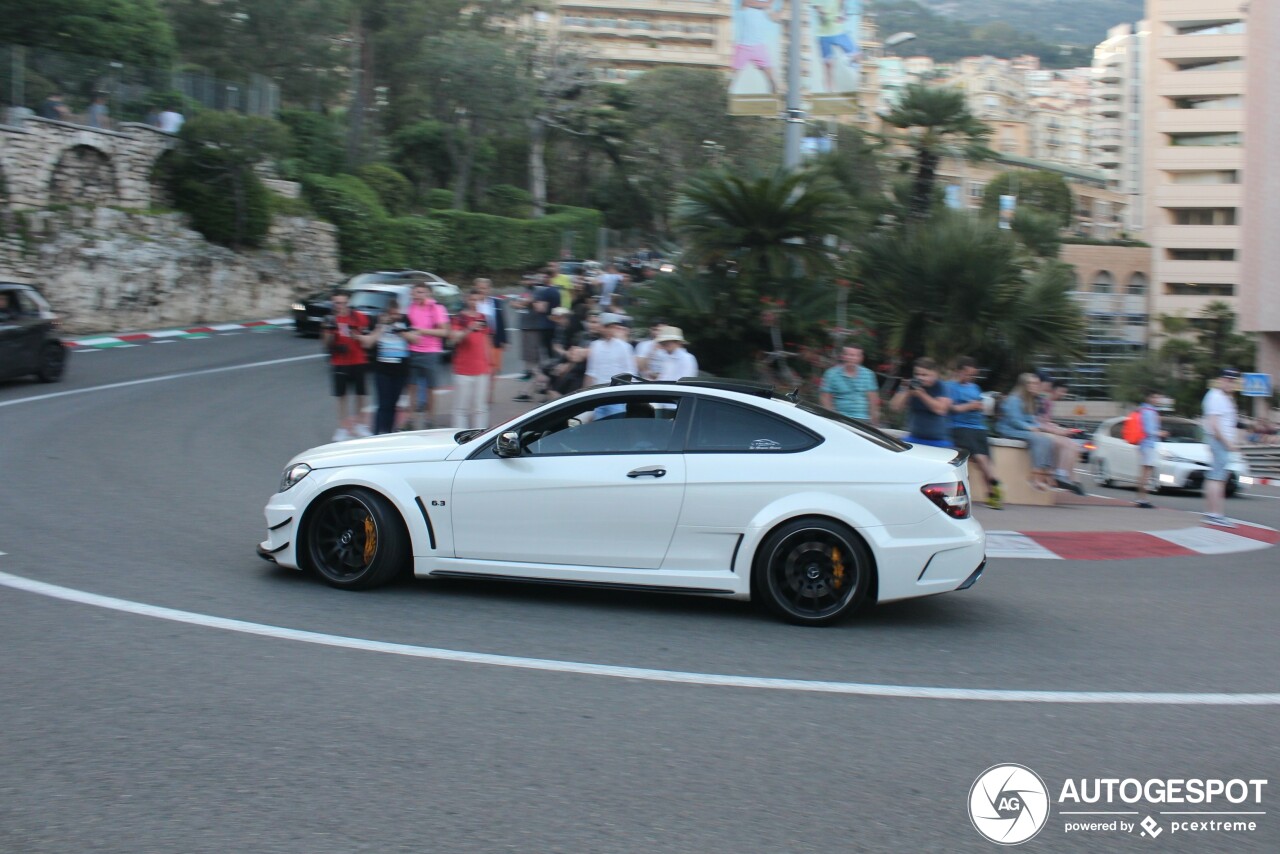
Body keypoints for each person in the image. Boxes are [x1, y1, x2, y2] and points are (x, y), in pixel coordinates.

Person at [946, 356, 1003, 510]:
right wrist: (971, 406)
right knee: (980, 458)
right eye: (968, 374)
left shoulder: (975, 388)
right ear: (958, 371)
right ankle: (994, 485)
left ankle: (993, 494)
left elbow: (982, 407)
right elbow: (952, 408)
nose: (970, 378)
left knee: (984, 459)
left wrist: (981, 407)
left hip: (978, 427)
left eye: (973, 375)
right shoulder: (950, 387)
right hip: (960, 426)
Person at [360, 300, 419, 435]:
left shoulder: (405, 320)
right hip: (382, 369)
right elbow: (369, 343)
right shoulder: (380, 321)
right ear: (387, 313)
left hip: (400, 370)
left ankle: (388, 433)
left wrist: (401, 331)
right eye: (392, 314)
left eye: (396, 314)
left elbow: (416, 339)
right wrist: (381, 326)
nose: (394, 317)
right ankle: (377, 433)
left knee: (393, 405)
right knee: (383, 404)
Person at [322, 292, 372, 441]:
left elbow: (366, 336)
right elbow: (326, 344)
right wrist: (330, 332)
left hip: (358, 360)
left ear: (348, 302)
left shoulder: (358, 316)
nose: (340, 306)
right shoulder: (329, 319)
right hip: (339, 362)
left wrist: (359, 336)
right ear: (333, 303)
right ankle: (342, 428)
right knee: (342, 396)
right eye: (337, 303)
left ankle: (361, 425)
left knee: (360, 395)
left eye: (343, 303)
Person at [996, 373, 1055, 491]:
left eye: (1035, 383)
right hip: (1009, 430)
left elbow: (1032, 419)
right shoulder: (1014, 399)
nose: (1035, 386)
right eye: (1031, 383)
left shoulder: (1029, 400)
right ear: (1024, 385)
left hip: (1021, 430)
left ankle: (1047, 473)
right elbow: (1014, 420)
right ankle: (1035, 475)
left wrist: (1038, 427)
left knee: (1047, 440)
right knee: (1037, 439)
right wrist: (1030, 428)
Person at [406, 282, 450, 430]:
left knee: (430, 388)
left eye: (420, 292)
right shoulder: (410, 307)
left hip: (430, 351)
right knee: (412, 387)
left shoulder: (436, 308)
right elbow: (408, 327)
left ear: (428, 294)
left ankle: (429, 419)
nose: (416, 295)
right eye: (415, 292)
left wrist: (422, 331)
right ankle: (411, 419)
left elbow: (444, 332)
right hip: (412, 350)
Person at [1201, 368, 1241, 527]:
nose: (1230, 383)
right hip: (1219, 442)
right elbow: (1214, 425)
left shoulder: (1221, 397)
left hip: (1220, 442)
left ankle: (1213, 513)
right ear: (1220, 380)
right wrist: (1228, 443)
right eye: (1227, 380)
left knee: (1216, 477)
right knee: (1217, 478)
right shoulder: (1216, 397)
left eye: (1232, 381)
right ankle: (1215, 514)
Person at [449, 288, 493, 429]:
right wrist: (469, 328)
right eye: (472, 299)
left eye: (477, 299)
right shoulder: (459, 318)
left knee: (481, 407)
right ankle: (460, 434)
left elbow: (486, 340)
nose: (475, 303)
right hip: (463, 369)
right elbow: (454, 339)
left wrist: (489, 362)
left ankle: (481, 435)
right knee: (461, 408)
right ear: (466, 300)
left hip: (481, 368)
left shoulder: (483, 317)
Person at [1035, 373, 1086, 494]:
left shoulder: (1047, 402)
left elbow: (1046, 421)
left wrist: (1059, 429)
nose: (1063, 394)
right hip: (1040, 432)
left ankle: (1068, 477)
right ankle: (1061, 475)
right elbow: (1040, 422)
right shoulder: (1042, 401)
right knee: (1064, 443)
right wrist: (1059, 431)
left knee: (1073, 446)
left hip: (1045, 430)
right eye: (1062, 391)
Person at [890, 357, 951, 447]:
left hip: (938, 440)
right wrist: (905, 391)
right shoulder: (911, 385)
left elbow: (941, 409)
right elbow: (894, 408)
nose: (920, 378)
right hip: (914, 437)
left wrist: (922, 395)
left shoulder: (941, 386)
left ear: (935, 374)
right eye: (917, 374)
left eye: (924, 375)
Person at [819, 344, 880, 424]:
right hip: (840, 419)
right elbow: (825, 398)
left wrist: (874, 422)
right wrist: (831, 419)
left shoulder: (868, 374)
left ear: (860, 358)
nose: (850, 358)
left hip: (863, 420)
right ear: (842, 356)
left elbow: (873, 401)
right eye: (847, 354)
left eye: (853, 355)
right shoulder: (831, 374)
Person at [732, 0, 782, 95]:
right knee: (732, 77)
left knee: (772, 79)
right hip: (743, 47)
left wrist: (776, 9)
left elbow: (775, 19)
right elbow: (748, 3)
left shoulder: (764, 7)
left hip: (759, 47)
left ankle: (774, 100)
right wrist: (769, 4)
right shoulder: (745, 4)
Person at [812, 0, 861, 93]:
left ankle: (849, 61)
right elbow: (818, 8)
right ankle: (829, 92)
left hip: (838, 32)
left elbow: (842, 3)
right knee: (828, 66)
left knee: (857, 55)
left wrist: (843, 14)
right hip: (824, 35)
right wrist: (823, 14)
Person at [472, 277, 507, 404]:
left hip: (494, 339)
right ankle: (478, 393)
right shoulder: (473, 303)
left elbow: (501, 320)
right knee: (481, 367)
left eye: (485, 288)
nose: (483, 291)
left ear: (489, 289)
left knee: (493, 369)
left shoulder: (495, 303)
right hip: (479, 340)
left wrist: (504, 339)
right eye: (480, 288)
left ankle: (489, 394)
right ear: (475, 288)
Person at [1134, 389, 1167, 509]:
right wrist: (1160, 433)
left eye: (1158, 397)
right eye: (1155, 397)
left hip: (1145, 444)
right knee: (1146, 473)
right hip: (1149, 444)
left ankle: (1141, 498)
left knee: (1144, 472)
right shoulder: (1149, 412)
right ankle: (1143, 499)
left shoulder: (1145, 410)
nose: (1157, 400)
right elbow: (1148, 431)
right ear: (1149, 398)